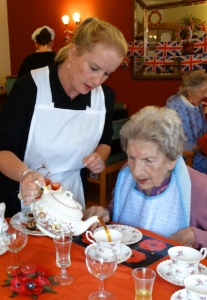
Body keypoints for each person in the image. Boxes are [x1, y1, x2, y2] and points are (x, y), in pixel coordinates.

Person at [0, 18, 128, 217]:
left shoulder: (105, 97)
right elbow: (3, 150)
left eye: (106, 74)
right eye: (94, 68)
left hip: (72, 196)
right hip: (23, 196)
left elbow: (104, 141)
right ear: (73, 51)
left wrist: (99, 158)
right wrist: (25, 175)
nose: (97, 81)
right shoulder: (29, 88)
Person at [84, 106, 207, 249]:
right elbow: (118, 209)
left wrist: (199, 236)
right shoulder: (125, 172)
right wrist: (105, 213)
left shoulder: (200, 188)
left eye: (148, 160)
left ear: (172, 159)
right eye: (131, 157)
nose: (136, 172)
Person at [166, 70, 207, 174]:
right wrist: (198, 149)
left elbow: (204, 131)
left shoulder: (198, 105)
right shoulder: (172, 109)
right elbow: (170, 142)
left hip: (201, 153)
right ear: (189, 91)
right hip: (185, 158)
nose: (205, 95)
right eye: (202, 92)